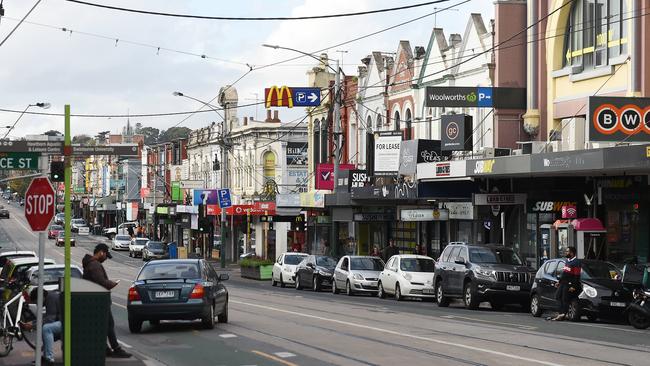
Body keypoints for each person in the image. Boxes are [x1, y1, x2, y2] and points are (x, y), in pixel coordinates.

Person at [82, 244, 132, 358]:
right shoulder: (94, 265)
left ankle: (106, 348)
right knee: (109, 323)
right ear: (101, 253)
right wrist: (113, 283)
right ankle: (116, 348)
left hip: (93, 299)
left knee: (103, 324)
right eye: (105, 255)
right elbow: (101, 282)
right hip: (98, 299)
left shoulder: (90, 263)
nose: (105, 258)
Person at [20, 290, 61, 365]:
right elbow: (49, 316)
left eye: (36, 302)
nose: (37, 304)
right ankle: (46, 356)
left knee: (47, 328)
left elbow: (50, 319)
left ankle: (49, 359)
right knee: (46, 330)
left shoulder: (51, 298)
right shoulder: (50, 297)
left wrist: (33, 325)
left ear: (40, 298)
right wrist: (33, 323)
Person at [552, 246, 582, 321]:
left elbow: (577, 276)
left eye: (567, 251)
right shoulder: (567, 261)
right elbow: (564, 273)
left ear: (572, 253)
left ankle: (563, 314)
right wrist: (559, 282)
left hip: (570, 284)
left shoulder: (577, 262)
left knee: (565, 299)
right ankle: (561, 313)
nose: (566, 253)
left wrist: (573, 286)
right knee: (557, 296)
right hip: (563, 283)